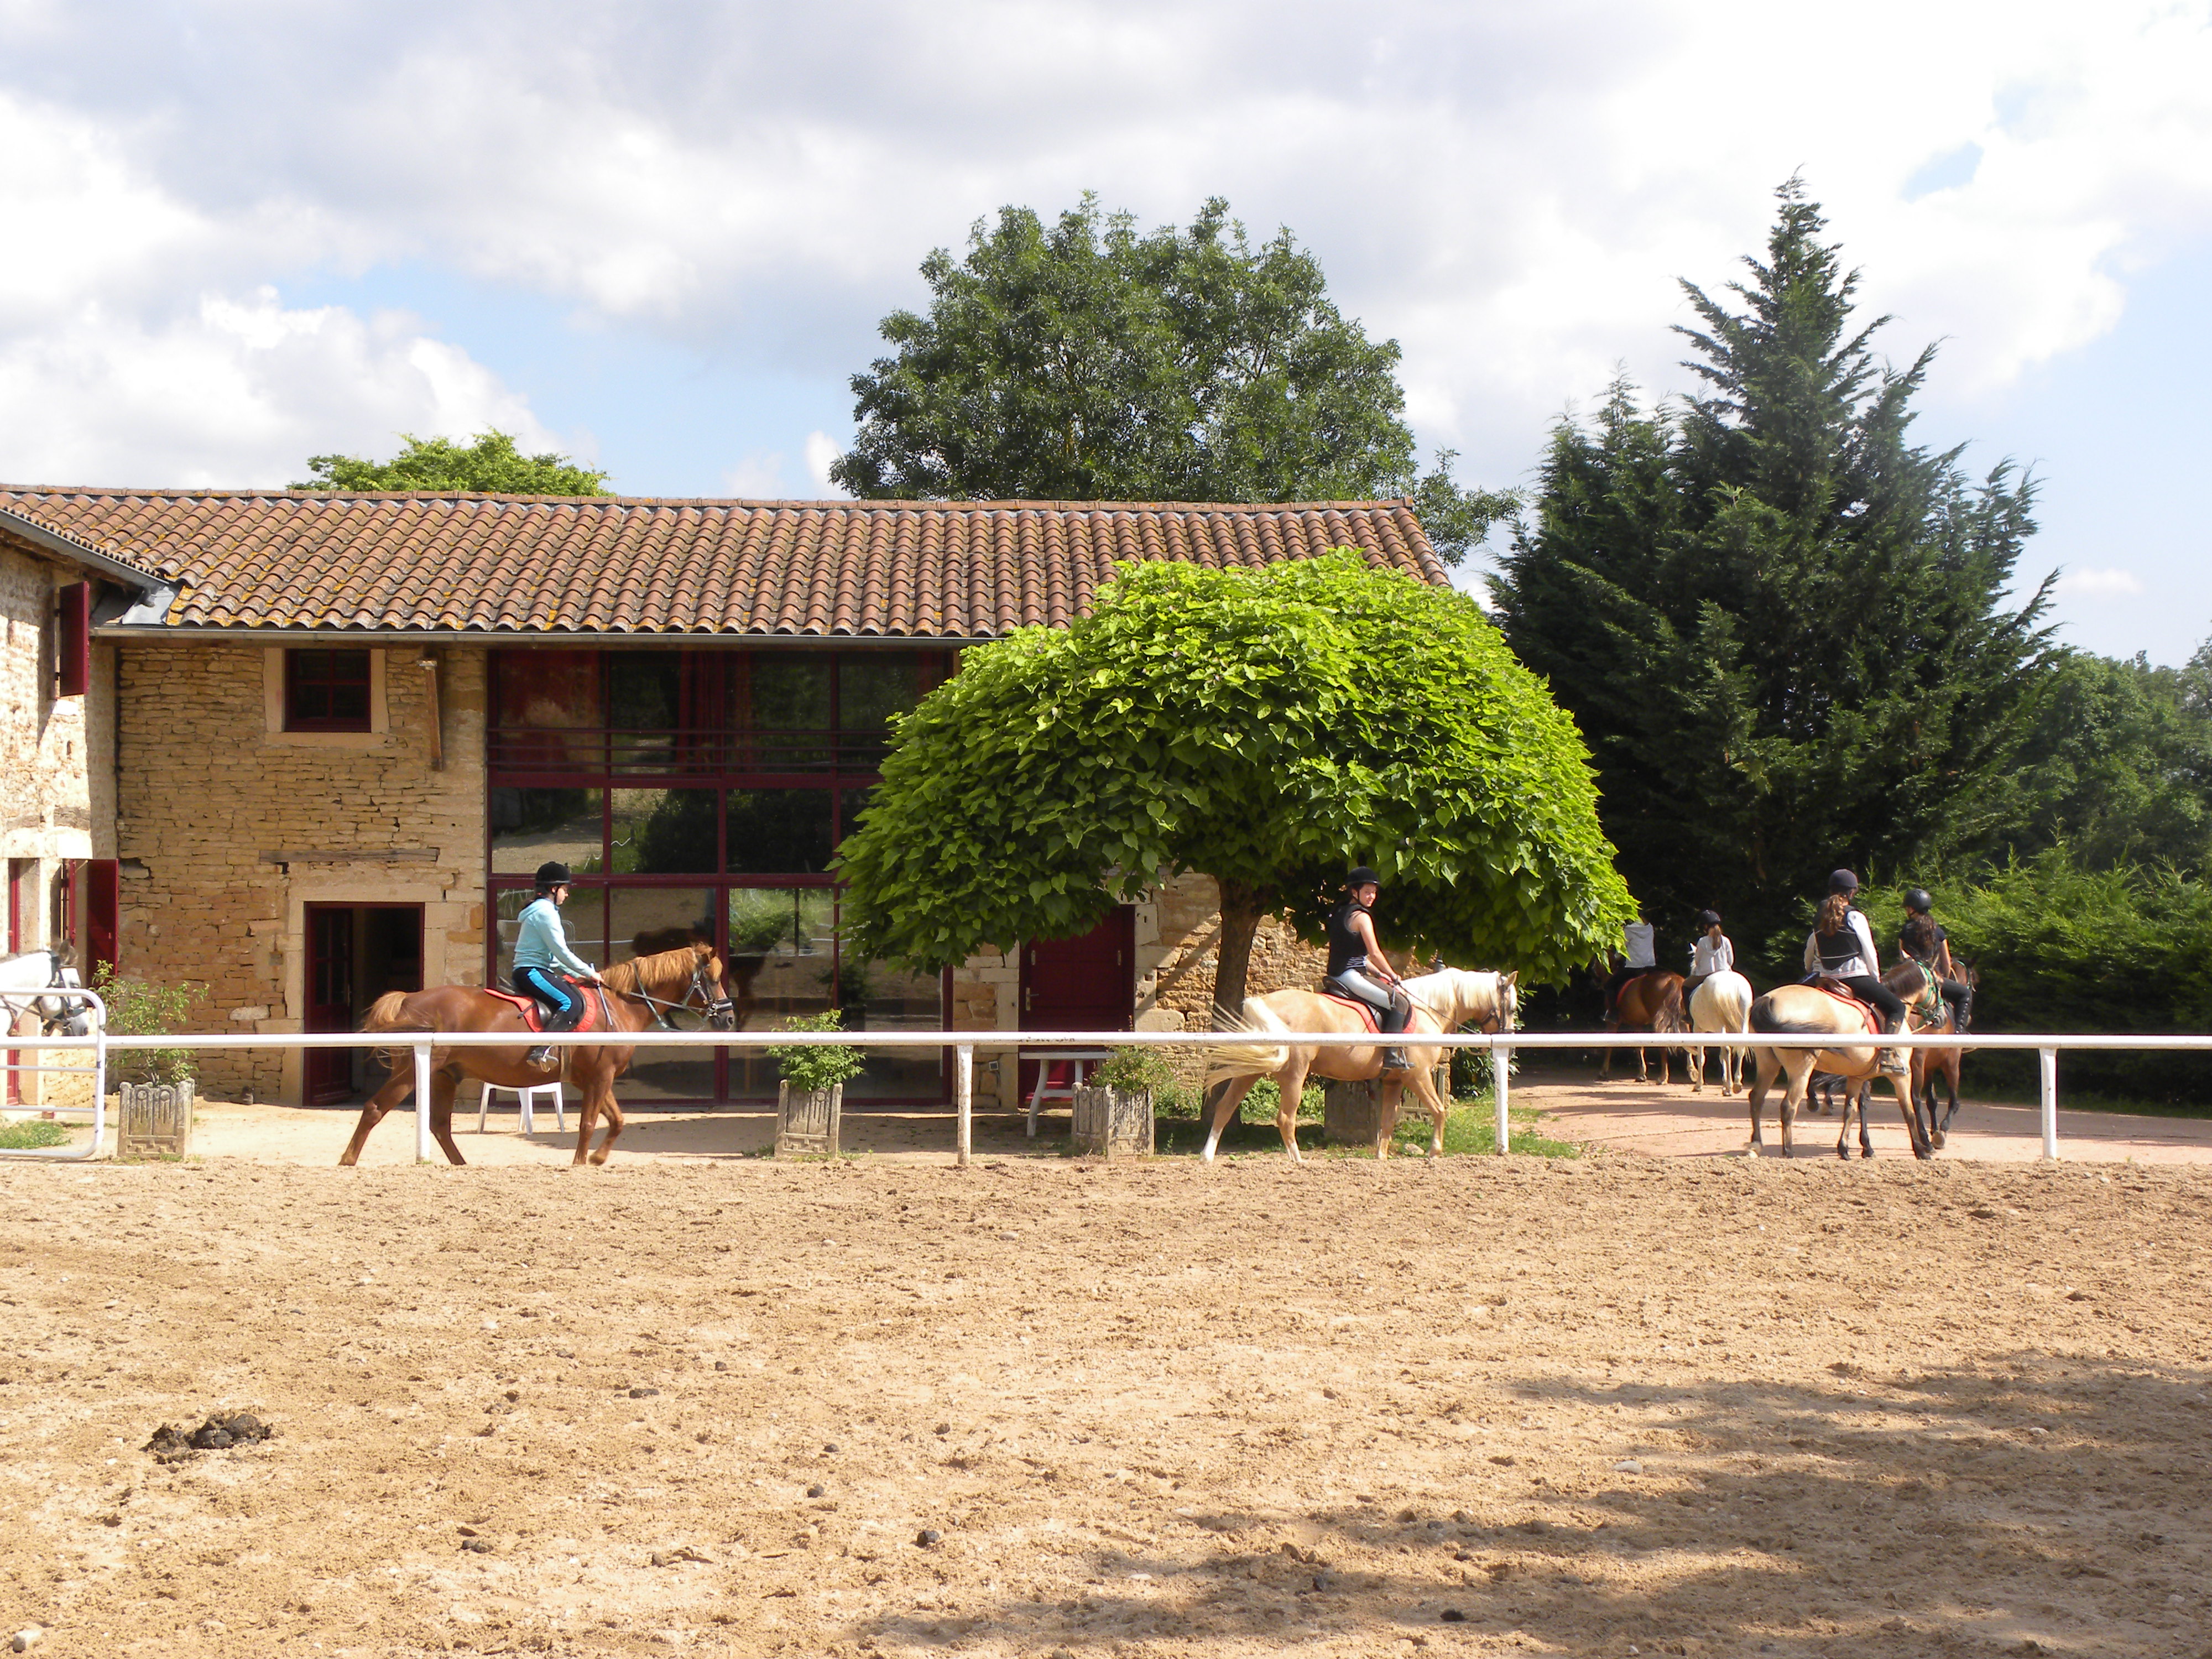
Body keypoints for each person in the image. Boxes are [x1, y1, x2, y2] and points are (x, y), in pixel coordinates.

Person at [1802, 869, 1906, 1059]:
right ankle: (1887, 1054)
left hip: (1825, 977)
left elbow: (1811, 951)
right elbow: (1869, 950)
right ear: (1851, 893)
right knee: (1897, 1007)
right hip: (1855, 978)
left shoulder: (1819, 917)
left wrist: (1812, 971)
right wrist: (1875, 978)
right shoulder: (1855, 916)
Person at [512, 860, 603, 1068]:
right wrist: (590, 973)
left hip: (536, 969)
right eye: (565, 889)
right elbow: (562, 952)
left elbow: (555, 958)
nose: (567, 894)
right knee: (572, 1003)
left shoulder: (543, 910)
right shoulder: (546, 913)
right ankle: (541, 1052)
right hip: (532, 971)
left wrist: (580, 975)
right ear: (554, 889)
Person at [1324, 866, 1414, 1073]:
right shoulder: (1362, 917)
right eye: (1367, 892)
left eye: (1374, 892)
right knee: (1399, 1002)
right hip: (1350, 976)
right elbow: (1374, 953)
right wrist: (1392, 974)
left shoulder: (1339, 912)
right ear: (1354, 892)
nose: (1372, 896)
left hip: (1340, 973)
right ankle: (1392, 1055)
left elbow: (1359, 957)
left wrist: (1379, 974)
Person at [1898, 888, 1973, 1035]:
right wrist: (1942, 978)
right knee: (1965, 994)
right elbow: (1946, 963)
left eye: (1907, 908)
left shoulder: (1905, 931)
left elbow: (1902, 958)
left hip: (1908, 980)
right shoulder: (1938, 931)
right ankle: (1959, 1032)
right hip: (1930, 979)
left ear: (1912, 909)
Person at [1604, 912, 1658, 1018]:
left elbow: (1621, 951)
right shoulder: (1650, 928)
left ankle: (1613, 1014)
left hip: (1634, 968)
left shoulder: (1629, 930)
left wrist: (1616, 957)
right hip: (1651, 966)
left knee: (1610, 985)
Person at [1684, 910, 1732, 998]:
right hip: (1724, 972)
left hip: (1705, 975)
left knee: (1685, 986)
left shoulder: (1702, 941)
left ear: (1706, 926)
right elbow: (1731, 961)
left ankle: (1689, 1007)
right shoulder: (1726, 941)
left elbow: (1697, 961)